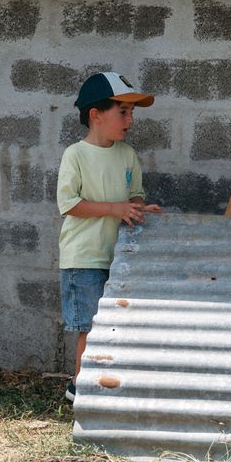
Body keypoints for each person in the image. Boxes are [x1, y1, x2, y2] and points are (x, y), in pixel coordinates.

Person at [56, 72, 161, 402]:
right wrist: (114, 208)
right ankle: (80, 387)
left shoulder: (127, 155)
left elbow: (135, 194)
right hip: (84, 257)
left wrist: (140, 207)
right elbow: (69, 204)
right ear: (95, 115)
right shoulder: (76, 155)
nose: (130, 120)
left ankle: (106, 385)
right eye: (123, 112)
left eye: (132, 113)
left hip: (117, 258)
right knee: (90, 327)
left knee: (116, 325)